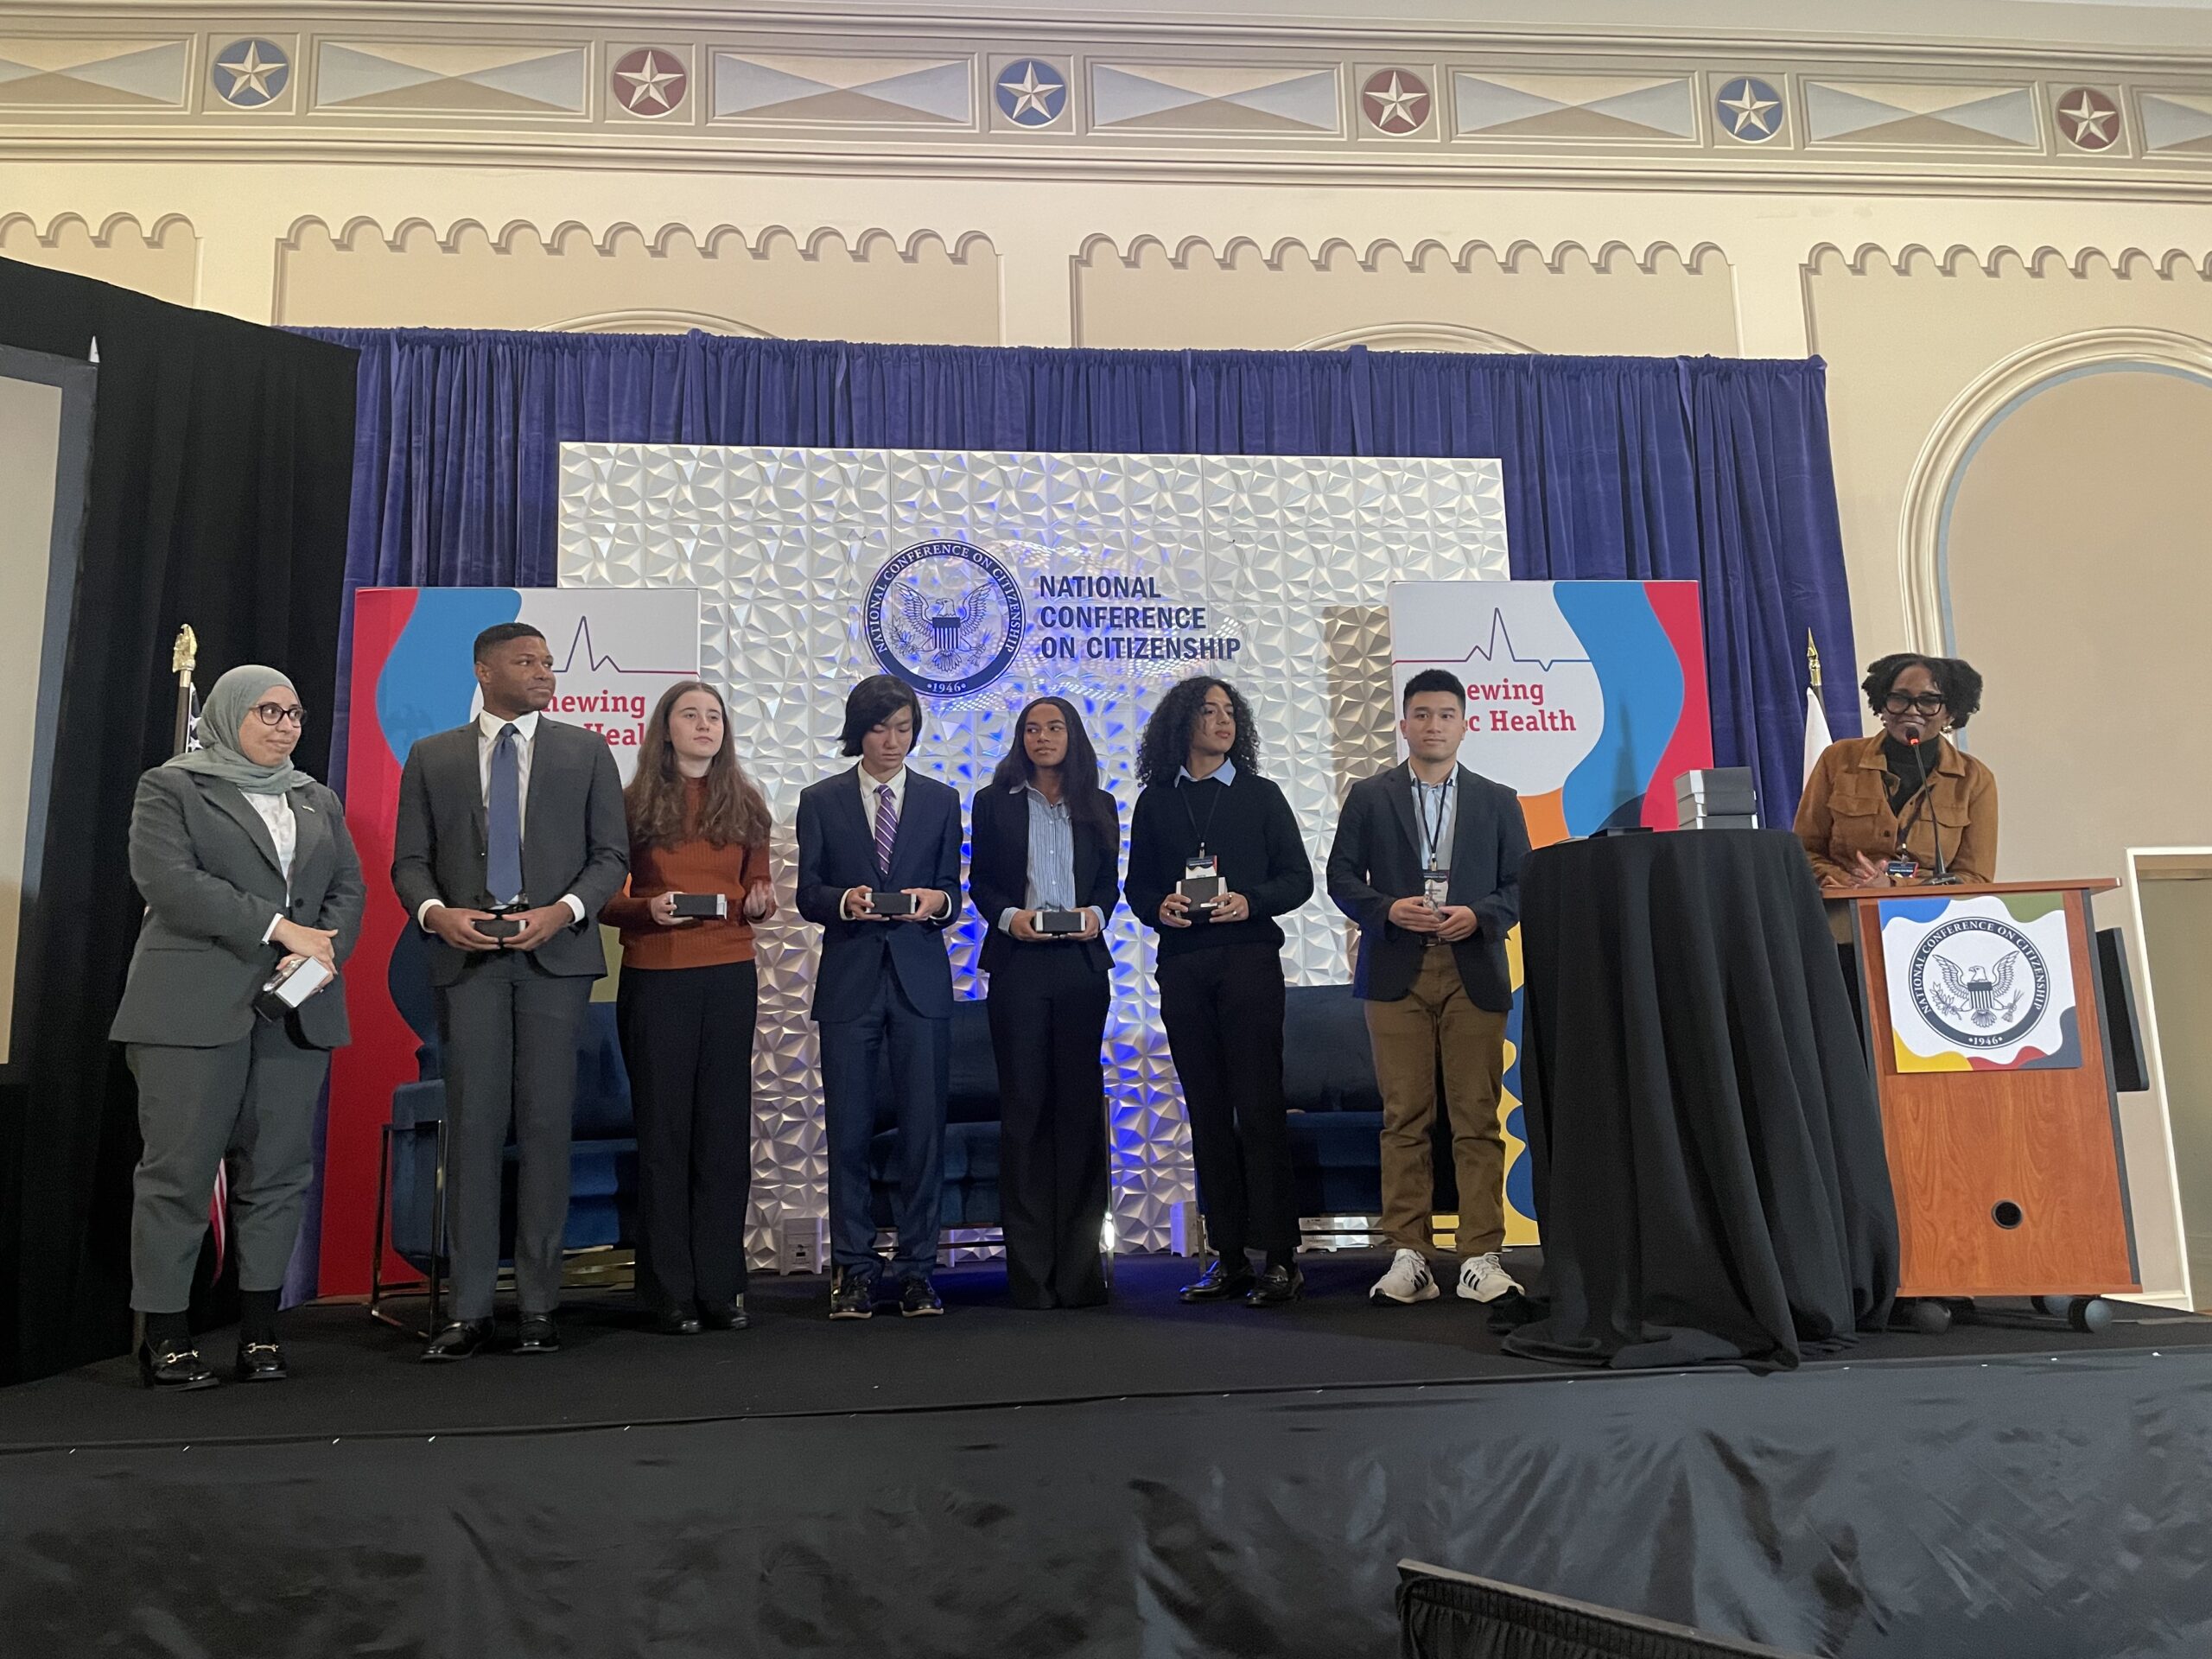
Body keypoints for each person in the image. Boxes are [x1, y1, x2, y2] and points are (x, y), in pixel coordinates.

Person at [111, 665, 365, 1389]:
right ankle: (164, 1334)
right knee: (179, 1174)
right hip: (188, 1009)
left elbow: (347, 886)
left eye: (295, 713)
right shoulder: (173, 786)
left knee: (280, 1174)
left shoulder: (315, 798)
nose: (285, 725)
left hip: (297, 1009)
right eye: (269, 711)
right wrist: (284, 928)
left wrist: (323, 944)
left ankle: (259, 1332)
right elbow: (169, 882)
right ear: (226, 715)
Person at [392, 623, 628, 1362]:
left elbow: (610, 855)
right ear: (484, 669)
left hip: (554, 961)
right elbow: (410, 861)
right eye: (526, 662)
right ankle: (467, 1310)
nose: (544, 673)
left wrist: (560, 912)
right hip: (468, 967)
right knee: (472, 1130)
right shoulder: (432, 758)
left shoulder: (585, 752)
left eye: (549, 663)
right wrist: (438, 915)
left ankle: (537, 1306)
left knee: (548, 1130)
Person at [1326, 669, 1531, 1310]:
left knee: (1475, 1118)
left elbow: (1523, 884)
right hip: (1395, 972)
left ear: (1465, 723)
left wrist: (1483, 915)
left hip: (1473, 967)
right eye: (1421, 714)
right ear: (1404, 723)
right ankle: (1409, 1254)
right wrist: (1387, 909)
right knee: (1404, 1119)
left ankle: (1480, 1255)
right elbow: (1339, 879)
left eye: (1445, 714)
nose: (1433, 725)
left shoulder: (1499, 799)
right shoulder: (1370, 795)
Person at [1126, 677, 1314, 1307]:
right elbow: (1136, 888)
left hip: (1249, 965)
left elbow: (1298, 879)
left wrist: (1249, 901)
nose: (1222, 721)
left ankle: (1281, 1259)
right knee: (1206, 1114)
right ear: (1182, 724)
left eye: (1230, 712)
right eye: (1208, 712)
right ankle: (1228, 1256)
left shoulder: (1260, 796)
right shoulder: (1155, 802)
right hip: (1183, 968)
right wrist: (1161, 907)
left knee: (1259, 1110)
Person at [601, 682, 776, 1337]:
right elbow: (604, 899)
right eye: (690, 715)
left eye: (714, 716)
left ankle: (721, 1286)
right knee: (666, 1135)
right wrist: (646, 909)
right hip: (656, 977)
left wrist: (759, 903)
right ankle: (668, 1292)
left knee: (724, 1135)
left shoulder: (746, 803)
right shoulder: (630, 804)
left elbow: (758, 892)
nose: (704, 725)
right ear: (664, 729)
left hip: (730, 973)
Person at [795, 675, 963, 1321]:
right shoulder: (821, 800)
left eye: (903, 728)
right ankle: (854, 1272)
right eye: (879, 728)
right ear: (857, 731)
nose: (893, 741)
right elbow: (809, 893)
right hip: (850, 983)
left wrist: (935, 902)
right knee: (849, 1134)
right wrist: (845, 901)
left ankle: (920, 1270)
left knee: (925, 1134)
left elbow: (951, 889)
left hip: (920, 983)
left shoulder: (941, 800)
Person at [969, 696, 1121, 1310]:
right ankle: (1031, 1276)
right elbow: (980, 883)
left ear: (1073, 736)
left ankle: (1082, 1273)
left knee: (1079, 1113)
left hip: (1083, 967)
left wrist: (1098, 914)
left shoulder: (1099, 804)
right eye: (1031, 729)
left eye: (1054, 727)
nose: (1042, 738)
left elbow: (1110, 882)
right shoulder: (992, 802)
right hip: (1020, 964)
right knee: (1026, 1113)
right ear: (1020, 740)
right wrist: (1010, 918)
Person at [1796, 652, 1996, 888]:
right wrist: (1853, 883)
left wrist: (1893, 886)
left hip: (1930, 917)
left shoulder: (1975, 779)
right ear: (1882, 705)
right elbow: (1802, 852)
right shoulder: (1838, 759)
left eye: (1929, 701)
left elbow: (1975, 878)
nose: (1912, 710)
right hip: (1846, 907)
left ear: (1949, 713)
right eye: (1899, 698)